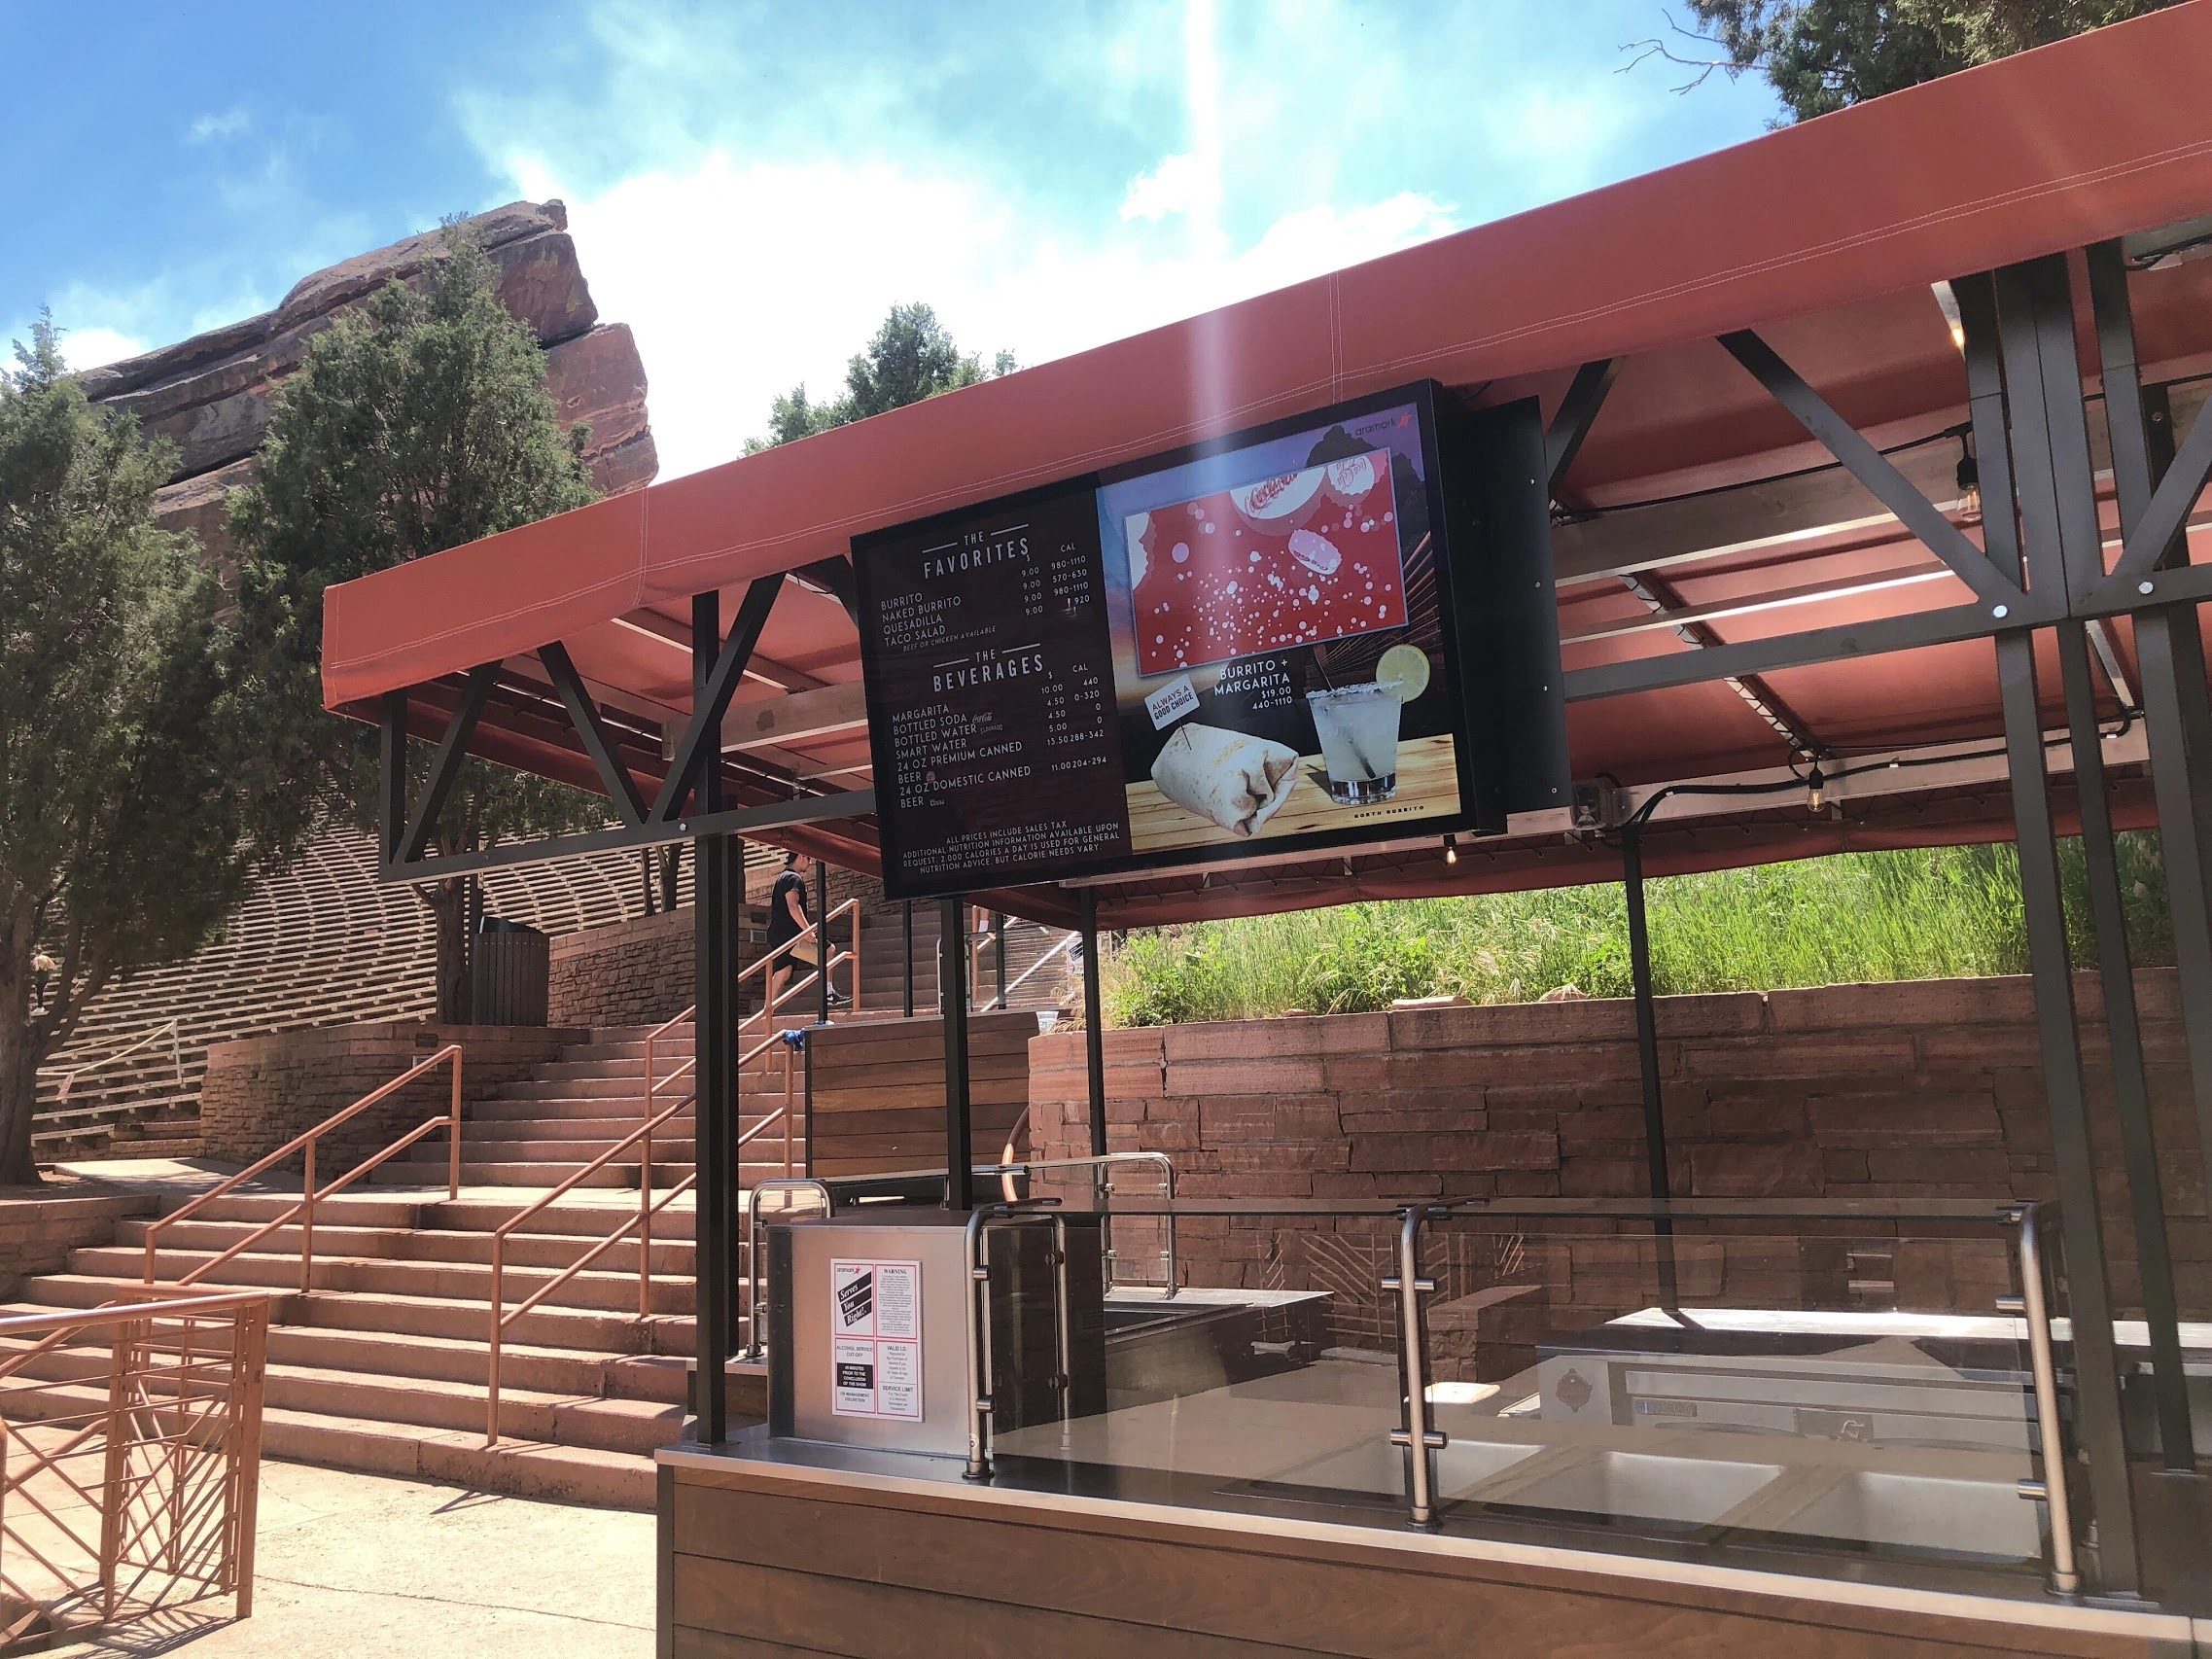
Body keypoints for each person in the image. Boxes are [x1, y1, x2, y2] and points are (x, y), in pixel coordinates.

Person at [767, 851, 846, 1010]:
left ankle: (767, 1011)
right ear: (801, 856)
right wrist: (808, 931)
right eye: (808, 858)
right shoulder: (793, 878)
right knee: (829, 950)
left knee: (784, 971)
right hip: (792, 934)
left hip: (778, 933)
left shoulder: (783, 877)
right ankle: (828, 993)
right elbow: (793, 906)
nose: (809, 863)